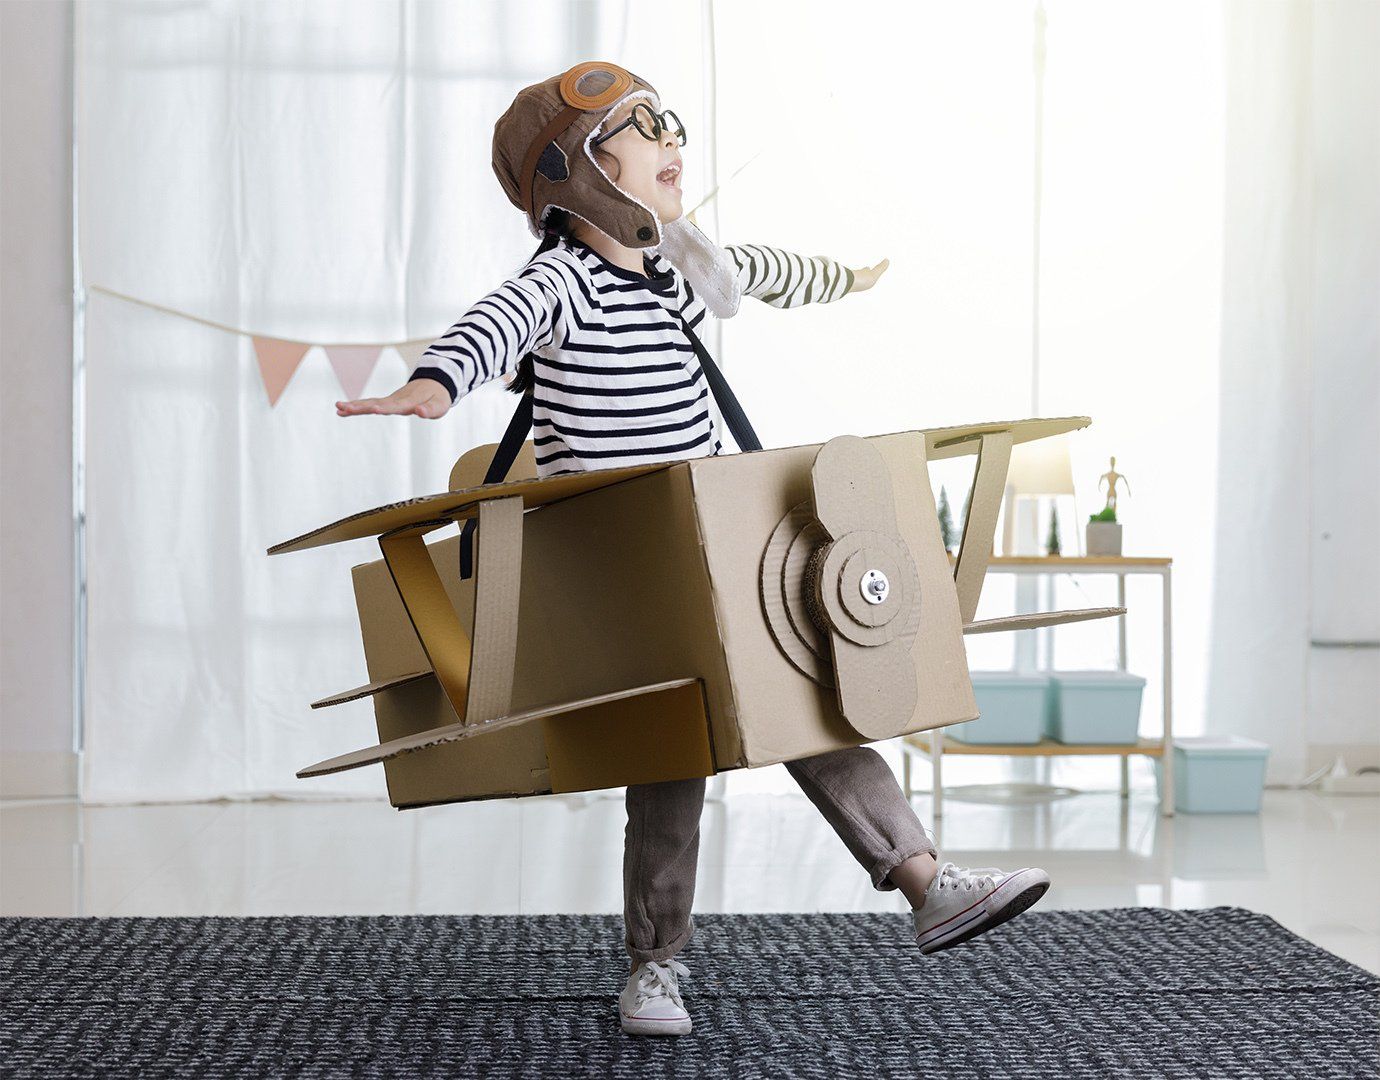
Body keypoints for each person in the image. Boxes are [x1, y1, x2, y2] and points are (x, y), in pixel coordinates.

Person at [337, 61, 1051, 1038]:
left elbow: (761, 269)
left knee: (814, 703)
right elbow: (495, 325)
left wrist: (847, 277)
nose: (674, 140)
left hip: (716, 549)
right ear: (577, 170)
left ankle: (926, 883)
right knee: (670, 769)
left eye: (670, 123)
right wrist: (434, 383)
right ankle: (654, 967)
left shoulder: (679, 272)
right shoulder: (563, 284)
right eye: (646, 128)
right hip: (627, 575)